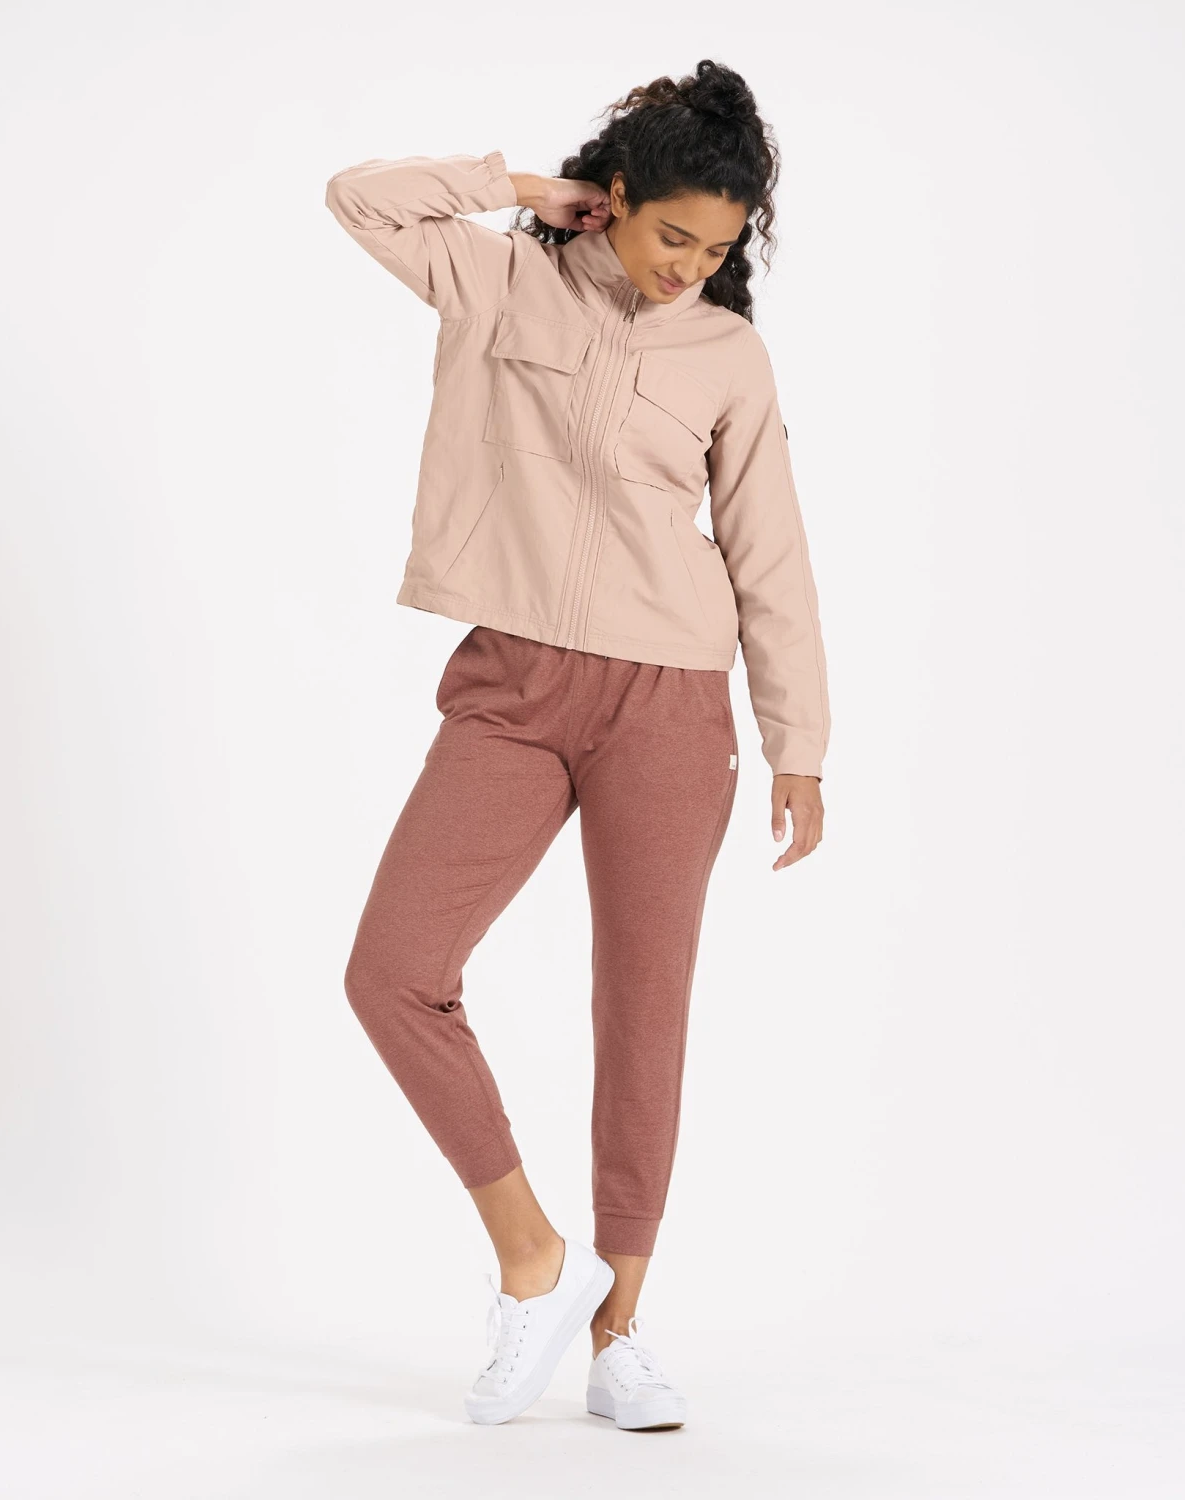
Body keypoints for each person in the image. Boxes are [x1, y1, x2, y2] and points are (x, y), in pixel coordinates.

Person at [325, 59, 829, 1430]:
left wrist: (798, 738)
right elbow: (359, 200)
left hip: (671, 700)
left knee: (642, 1006)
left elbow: (770, 552)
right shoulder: (500, 280)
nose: (690, 268)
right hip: (514, 684)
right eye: (673, 235)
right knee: (395, 971)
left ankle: (621, 1336)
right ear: (616, 198)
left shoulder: (728, 357)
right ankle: (535, 1263)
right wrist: (520, 188)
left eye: (717, 250)